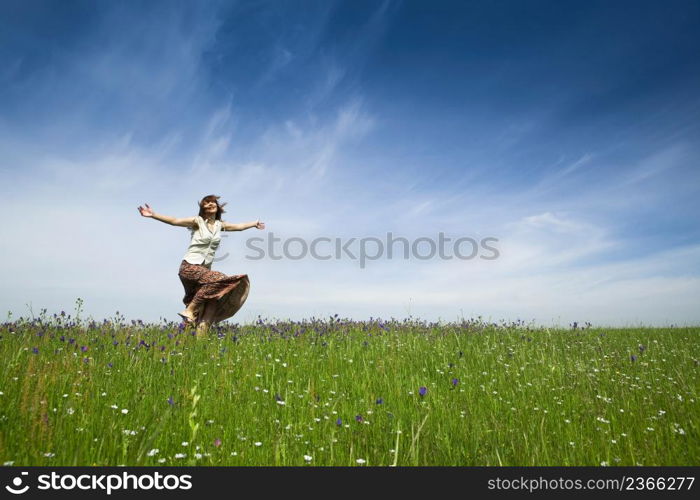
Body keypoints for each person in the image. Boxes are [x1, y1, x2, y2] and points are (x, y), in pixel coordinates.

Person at [137, 195, 265, 336]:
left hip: (204, 272)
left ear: (217, 207)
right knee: (220, 279)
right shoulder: (196, 221)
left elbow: (239, 227)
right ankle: (190, 310)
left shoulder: (219, 225)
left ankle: (196, 339)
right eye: (207, 202)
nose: (211, 204)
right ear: (202, 207)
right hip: (189, 267)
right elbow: (174, 221)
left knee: (212, 301)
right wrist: (153, 215)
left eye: (213, 202)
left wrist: (254, 223)